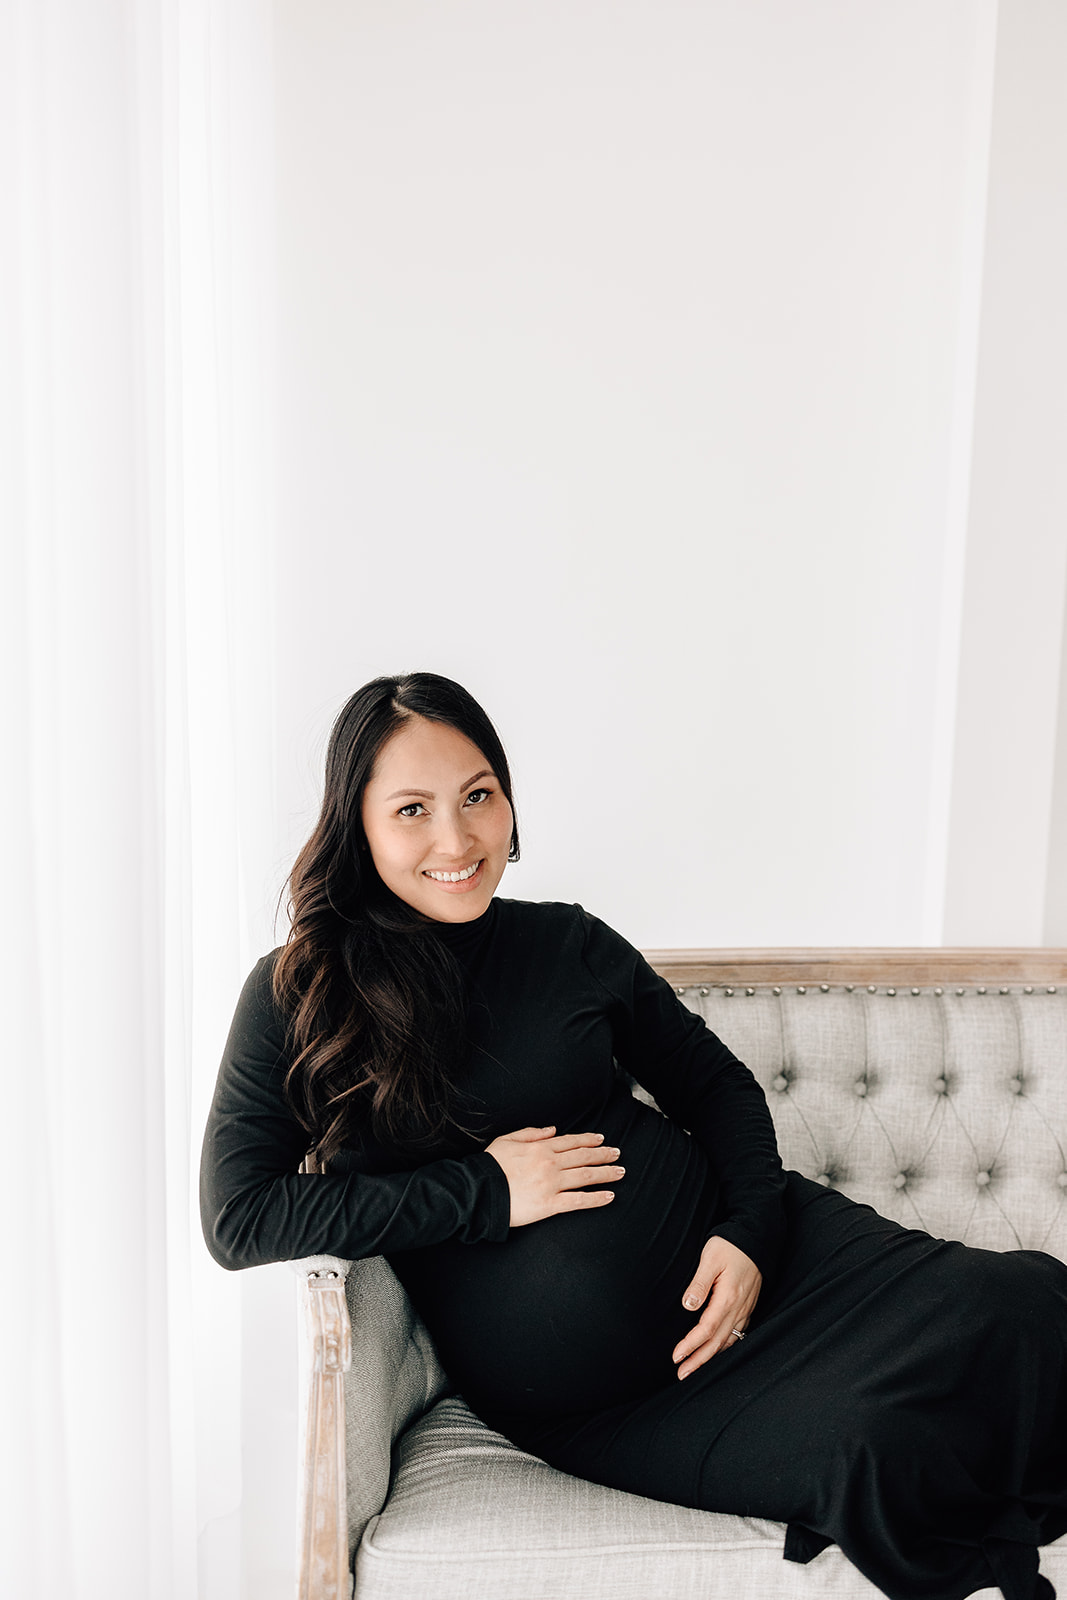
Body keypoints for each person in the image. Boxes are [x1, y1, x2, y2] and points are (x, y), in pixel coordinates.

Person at [201, 672, 1067, 1600]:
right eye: (412, 809)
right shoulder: (298, 992)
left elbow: (715, 1088)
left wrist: (748, 1237)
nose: (456, 840)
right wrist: (484, 1192)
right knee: (878, 1451)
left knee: (1020, 1307)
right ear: (357, 824)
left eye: (477, 797)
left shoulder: (567, 943)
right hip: (622, 1397)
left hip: (791, 1272)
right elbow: (241, 1218)